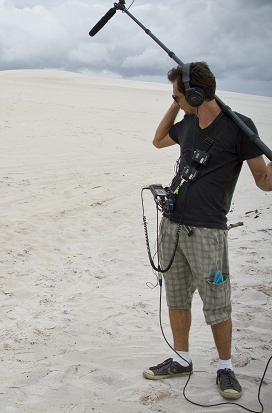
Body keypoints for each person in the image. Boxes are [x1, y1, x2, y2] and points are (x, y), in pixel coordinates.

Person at [143, 62, 272, 400]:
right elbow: (157, 141)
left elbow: (265, 182)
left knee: (217, 304)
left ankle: (225, 367)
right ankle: (181, 359)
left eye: (179, 95)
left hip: (208, 232)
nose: (175, 101)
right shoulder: (186, 124)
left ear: (197, 94)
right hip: (172, 226)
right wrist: (176, 101)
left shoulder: (240, 128)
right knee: (176, 297)